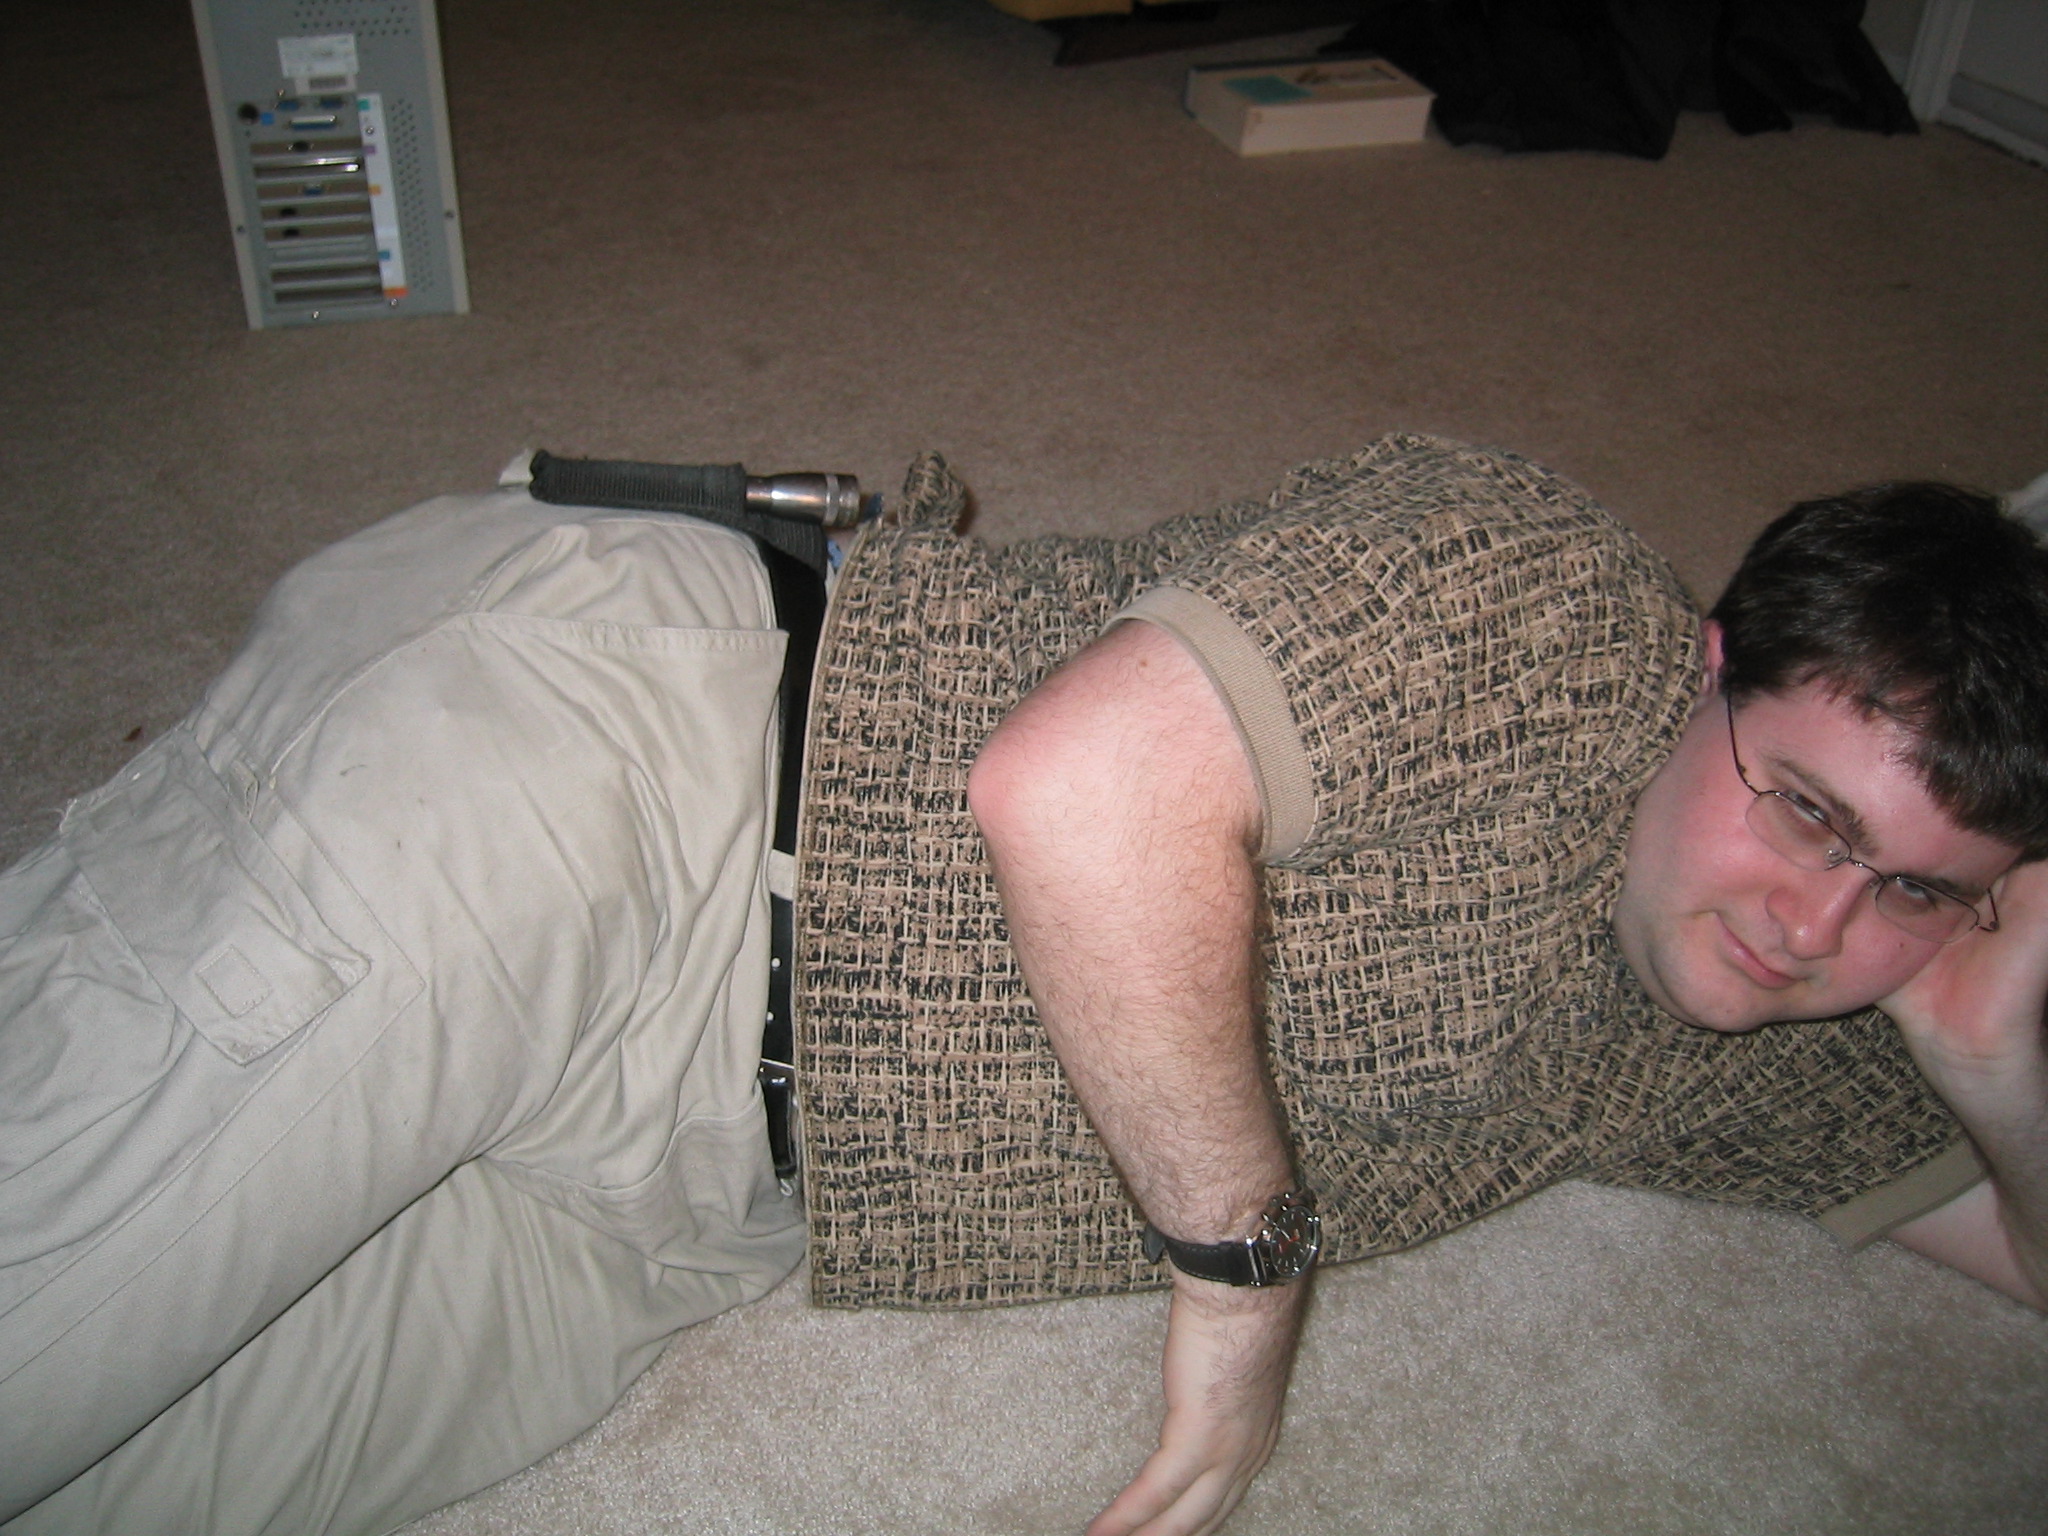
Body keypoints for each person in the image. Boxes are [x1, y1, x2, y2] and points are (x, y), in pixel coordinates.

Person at [2, 434, 2044, 1536]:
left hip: (694, 1206)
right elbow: (1077, 787)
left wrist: (1987, 1043)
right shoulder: (1536, 588)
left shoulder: (1764, 1034)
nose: (1815, 921)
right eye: (1802, 808)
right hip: (627, 785)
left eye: (1912, 891)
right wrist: (1244, 1295)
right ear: (1711, 662)